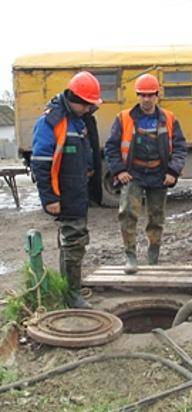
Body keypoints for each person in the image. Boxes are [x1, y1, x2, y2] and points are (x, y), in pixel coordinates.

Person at [31, 71, 102, 308]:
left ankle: (70, 289)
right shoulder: (51, 121)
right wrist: (50, 198)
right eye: (88, 105)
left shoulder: (77, 119)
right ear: (77, 100)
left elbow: (85, 150)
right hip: (65, 193)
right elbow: (41, 163)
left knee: (75, 241)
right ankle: (72, 296)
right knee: (74, 241)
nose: (90, 109)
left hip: (77, 190)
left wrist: (90, 171)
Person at [104, 74, 187, 274]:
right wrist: (120, 170)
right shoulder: (124, 118)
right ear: (137, 96)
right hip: (134, 174)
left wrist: (173, 171)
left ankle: (153, 259)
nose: (147, 99)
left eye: (150, 95)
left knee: (156, 218)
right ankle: (131, 257)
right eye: (143, 95)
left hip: (159, 174)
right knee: (127, 214)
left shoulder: (169, 118)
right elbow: (111, 147)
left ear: (157, 95)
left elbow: (180, 146)